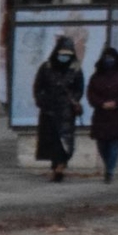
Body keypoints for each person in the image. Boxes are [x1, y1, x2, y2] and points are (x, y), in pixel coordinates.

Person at [33, 40, 84, 181]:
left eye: (68, 54)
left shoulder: (75, 69)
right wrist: (41, 100)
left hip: (66, 111)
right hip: (49, 110)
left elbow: (79, 89)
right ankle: (56, 166)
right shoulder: (47, 67)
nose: (64, 57)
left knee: (65, 140)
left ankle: (61, 165)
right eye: (62, 54)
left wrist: (72, 100)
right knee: (52, 140)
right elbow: (38, 86)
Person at [86, 45, 118, 183]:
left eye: (111, 58)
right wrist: (101, 103)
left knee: (115, 143)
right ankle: (108, 164)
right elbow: (91, 94)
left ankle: (109, 171)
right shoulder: (96, 76)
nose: (109, 60)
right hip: (101, 116)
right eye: (107, 58)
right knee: (102, 144)